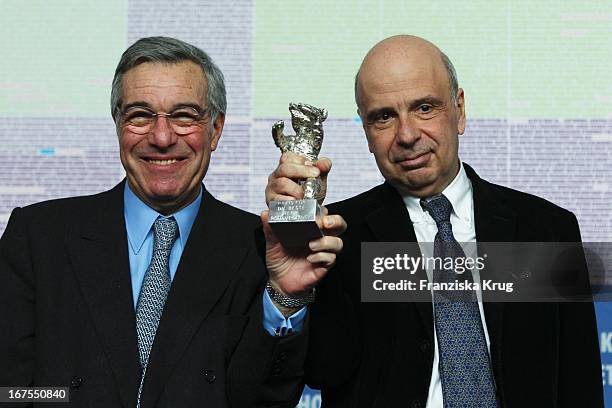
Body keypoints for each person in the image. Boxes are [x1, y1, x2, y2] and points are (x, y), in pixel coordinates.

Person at [0, 36, 345, 408]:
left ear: (215, 130)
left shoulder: (260, 249)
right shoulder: (38, 237)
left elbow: (260, 400)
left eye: (184, 116)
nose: (161, 137)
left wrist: (285, 297)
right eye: (140, 115)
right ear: (117, 123)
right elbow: (11, 391)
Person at [265, 35, 603, 407]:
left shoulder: (547, 230)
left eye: (425, 108)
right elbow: (313, 373)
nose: (407, 135)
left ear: (459, 109)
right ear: (365, 131)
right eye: (384, 117)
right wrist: (289, 295)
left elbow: (578, 382)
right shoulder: (336, 237)